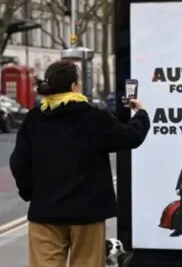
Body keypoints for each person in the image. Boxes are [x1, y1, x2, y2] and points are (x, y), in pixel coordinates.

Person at [9, 60, 150, 267]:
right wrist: (140, 114)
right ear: (74, 86)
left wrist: (32, 193)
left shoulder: (34, 119)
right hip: (87, 212)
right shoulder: (93, 117)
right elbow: (130, 137)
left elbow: (18, 162)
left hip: (46, 213)